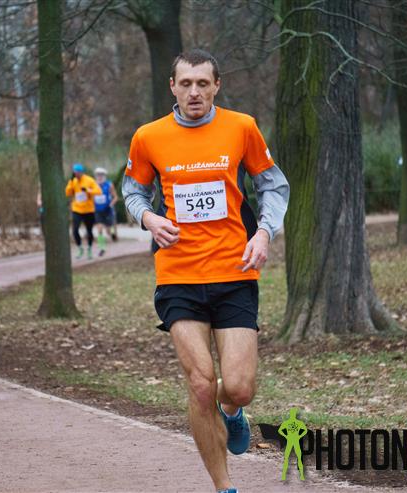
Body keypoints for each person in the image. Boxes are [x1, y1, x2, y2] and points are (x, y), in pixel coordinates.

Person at [122, 49, 289, 493]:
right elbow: (133, 191)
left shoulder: (242, 127)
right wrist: (148, 218)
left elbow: (272, 185)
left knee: (238, 386)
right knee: (199, 385)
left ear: (217, 86)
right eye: (186, 83)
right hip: (178, 275)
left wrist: (264, 233)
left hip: (234, 271)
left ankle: (232, 411)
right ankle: (224, 487)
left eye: (202, 83)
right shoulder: (148, 136)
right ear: (172, 87)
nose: (194, 92)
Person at [65, 163, 101, 260]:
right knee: (75, 230)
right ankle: (80, 248)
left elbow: (98, 191)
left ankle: (89, 249)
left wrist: (88, 191)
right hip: (77, 209)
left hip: (89, 210)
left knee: (89, 230)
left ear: (82, 172)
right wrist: (71, 182)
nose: (76, 174)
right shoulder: (73, 181)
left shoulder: (89, 180)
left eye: (78, 172)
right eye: (75, 173)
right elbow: (67, 193)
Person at [93, 168, 119, 257]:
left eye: (101, 175)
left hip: (107, 210)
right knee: (99, 230)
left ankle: (112, 233)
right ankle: (102, 248)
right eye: (98, 175)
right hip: (98, 211)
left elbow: (115, 197)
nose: (99, 177)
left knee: (108, 231)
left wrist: (111, 204)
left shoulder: (109, 185)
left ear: (104, 176)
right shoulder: (93, 185)